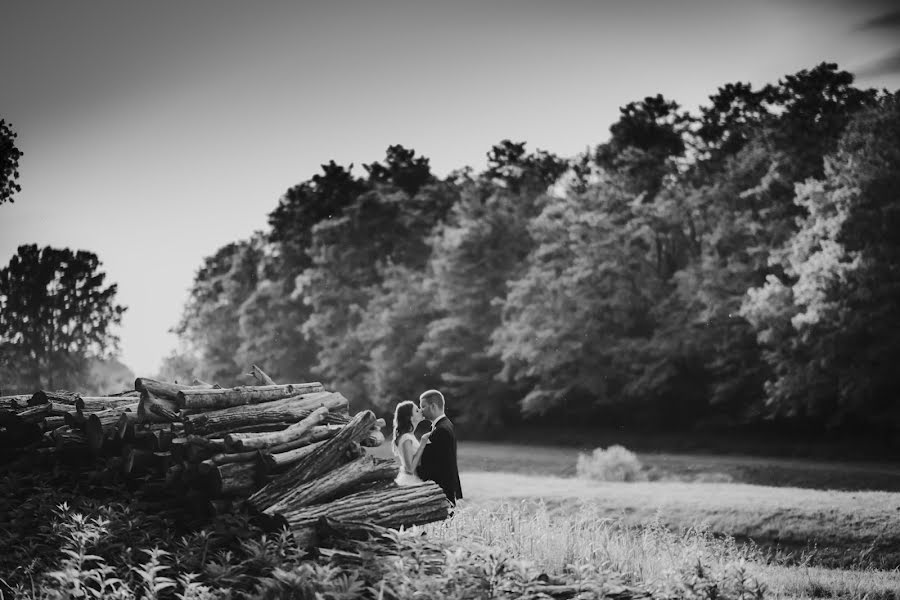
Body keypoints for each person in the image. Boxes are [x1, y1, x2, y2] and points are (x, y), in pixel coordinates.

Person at [415, 389, 463, 505]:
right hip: (445, 488)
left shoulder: (441, 430)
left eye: (423, 406)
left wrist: (414, 473)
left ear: (433, 406)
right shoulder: (445, 424)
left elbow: (435, 465)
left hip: (442, 491)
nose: (420, 410)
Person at [391, 400, 433, 486]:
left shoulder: (410, 436)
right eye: (417, 411)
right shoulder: (406, 438)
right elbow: (409, 469)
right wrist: (422, 445)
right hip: (411, 481)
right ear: (410, 418)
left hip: (416, 478)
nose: (421, 410)